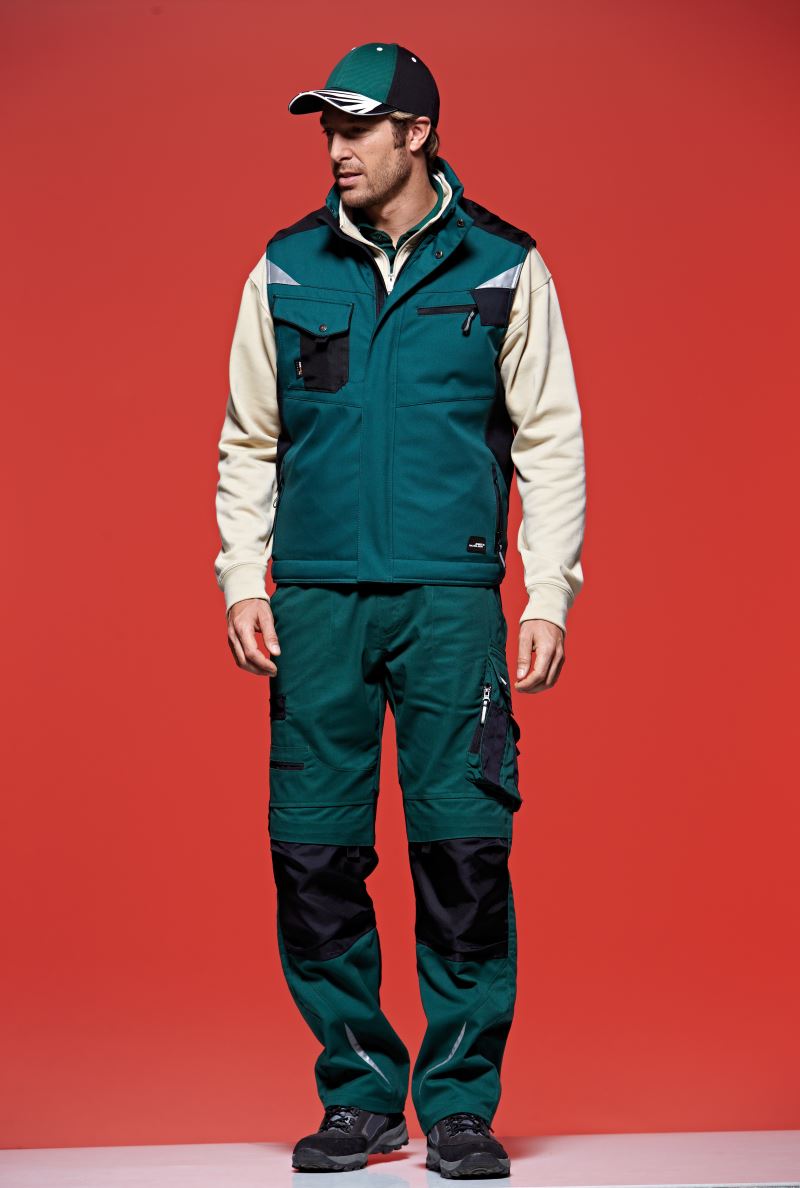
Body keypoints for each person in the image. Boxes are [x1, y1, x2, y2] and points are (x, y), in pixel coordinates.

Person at [213, 41, 586, 1180]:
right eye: (326, 129)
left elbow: (551, 440)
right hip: (316, 603)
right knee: (313, 854)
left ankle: (460, 1105)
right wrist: (243, 577)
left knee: (463, 855)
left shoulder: (505, 266)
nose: (335, 149)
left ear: (415, 133)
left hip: (451, 603)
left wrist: (547, 591)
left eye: (355, 128)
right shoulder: (285, 268)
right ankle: (360, 1097)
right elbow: (248, 439)